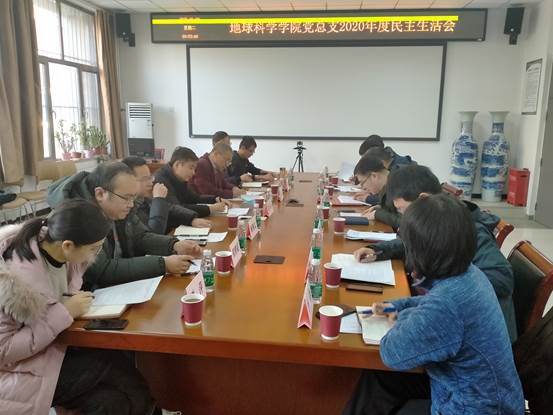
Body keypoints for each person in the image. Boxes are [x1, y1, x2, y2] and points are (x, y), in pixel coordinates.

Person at [343, 194, 524, 415]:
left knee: (387, 371)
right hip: (470, 390)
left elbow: (392, 352)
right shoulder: (469, 273)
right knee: (380, 378)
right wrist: (393, 307)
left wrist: (403, 316)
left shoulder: (446, 306)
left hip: (472, 408)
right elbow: (429, 303)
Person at [0, 199, 166, 414]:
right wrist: (65, 311)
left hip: (54, 349)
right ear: (68, 245)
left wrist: (68, 303)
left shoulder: (61, 253)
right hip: (20, 369)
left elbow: (54, 299)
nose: (95, 256)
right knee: (114, 365)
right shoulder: (15, 280)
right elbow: (4, 350)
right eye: (94, 249)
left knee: (111, 402)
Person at [353, 165, 517, 341]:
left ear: (423, 199)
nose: (404, 218)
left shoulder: (469, 231)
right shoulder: (439, 223)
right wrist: (379, 250)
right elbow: (413, 243)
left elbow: (502, 277)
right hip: (444, 314)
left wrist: (441, 282)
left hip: (476, 332)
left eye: (403, 210)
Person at [47, 162, 201, 289]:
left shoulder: (117, 207)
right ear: (100, 194)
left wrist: (174, 245)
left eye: (133, 198)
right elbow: (101, 270)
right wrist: (163, 264)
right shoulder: (78, 217)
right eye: (126, 198)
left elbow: (140, 236)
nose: (131, 204)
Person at [122, 156, 211, 234]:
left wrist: (191, 219)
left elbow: (170, 208)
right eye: (145, 179)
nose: (151, 182)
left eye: (150, 177)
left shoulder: (143, 199)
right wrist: (158, 200)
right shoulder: (127, 207)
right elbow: (153, 233)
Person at [154, 146, 229, 218]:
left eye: (194, 169)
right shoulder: (161, 181)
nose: (193, 173)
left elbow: (194, 198)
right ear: (177, 165)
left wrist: (215, 199)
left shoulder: (179, 178)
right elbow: (178, 209)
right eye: (191, 168)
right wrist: (210, 209)